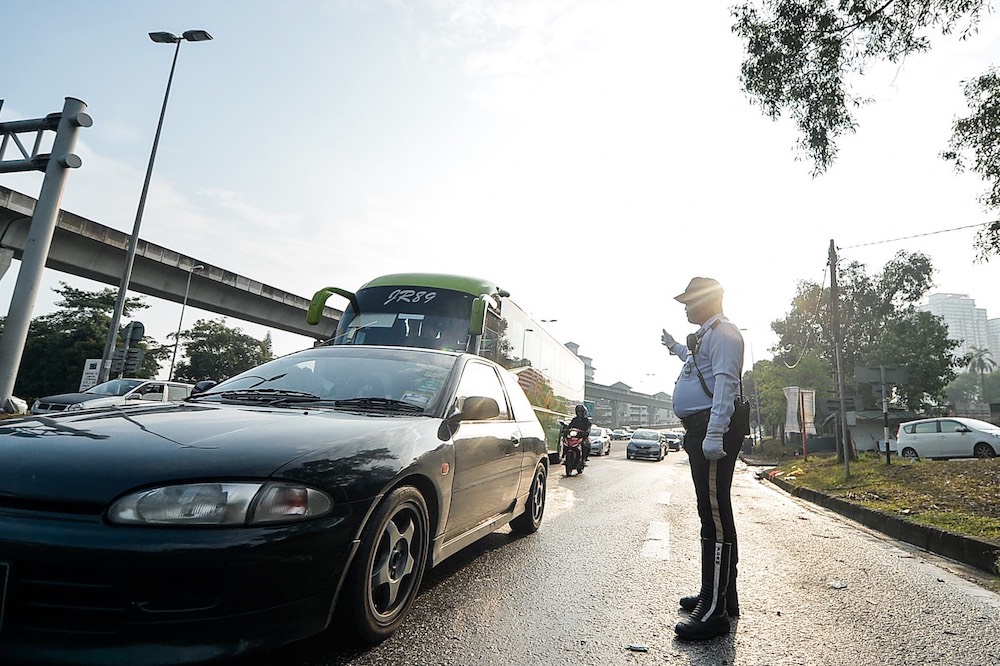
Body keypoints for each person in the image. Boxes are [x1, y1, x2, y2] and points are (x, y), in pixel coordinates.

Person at [661, 277, 748, 641]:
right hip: (701, 429)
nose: (684, 306)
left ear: (708, 300)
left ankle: (713, 611)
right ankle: (720, 595)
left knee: (713, 514)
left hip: (713, 430)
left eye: (689, 300)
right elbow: (699, 363)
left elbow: (726, 384)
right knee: (712, 512)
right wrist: (675, 347)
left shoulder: (725, 334)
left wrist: (714, 434)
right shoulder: (707, 336)